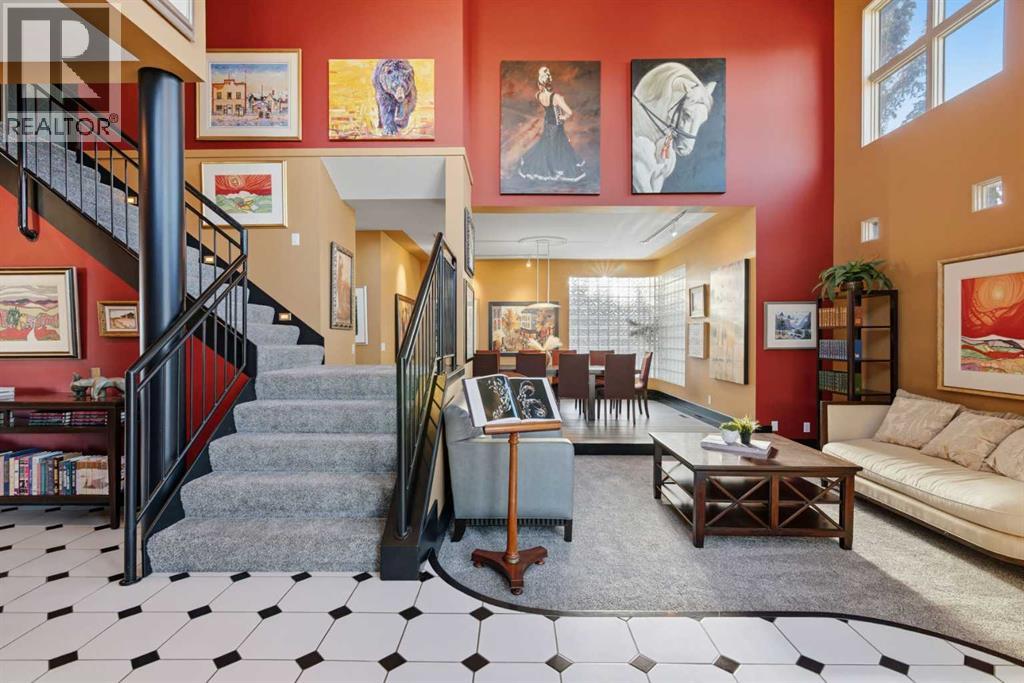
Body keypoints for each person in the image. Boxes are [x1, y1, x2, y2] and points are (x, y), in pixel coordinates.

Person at [517, 66, 586, 185]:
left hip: (547, 123)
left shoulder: (538, 95)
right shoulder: (556, 97)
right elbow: (569, 112)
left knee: (549, 144)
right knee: (558, 146)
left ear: (539, 83)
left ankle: (552, 166)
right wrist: (563, 117)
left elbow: (548, 107)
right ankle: (556, 168)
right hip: (556, 125)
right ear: (549, 82)